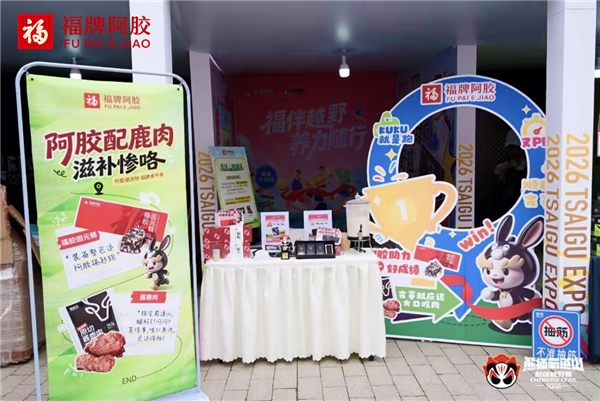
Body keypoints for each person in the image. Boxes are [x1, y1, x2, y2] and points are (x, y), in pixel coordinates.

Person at [493, 130, 527, 219]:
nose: (510, 152)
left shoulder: (529, 168)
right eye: (509, 149)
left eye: (512, 148)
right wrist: (499, 177)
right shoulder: (506, 168)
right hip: (507, 211)